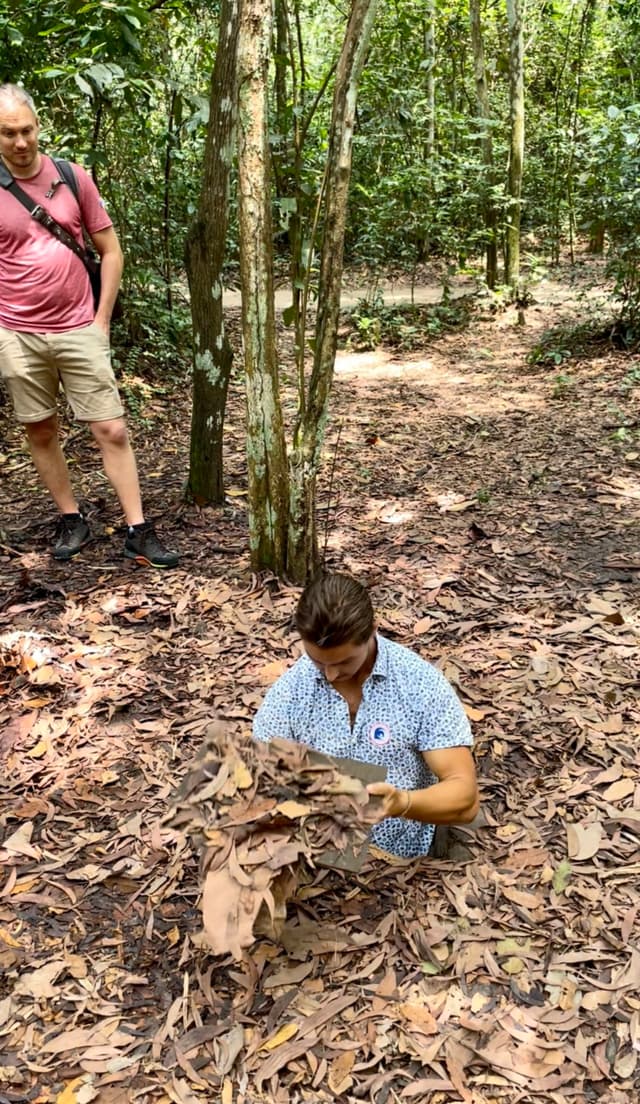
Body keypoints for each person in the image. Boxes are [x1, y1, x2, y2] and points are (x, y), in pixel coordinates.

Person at [0, 84, 179, 568]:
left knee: (112, 428)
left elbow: (111, 251)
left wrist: (101, 321)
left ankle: (138, 529)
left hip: (80, 324)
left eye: (26, 130)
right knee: (40, 429)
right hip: (16, 332)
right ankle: (71, 517)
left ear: (38, 127)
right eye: (8, 133)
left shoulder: (70, 177)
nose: (20, 142)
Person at [254, 572, 479, 859]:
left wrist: (401, 803)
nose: (331, 674)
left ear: (373, 630)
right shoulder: (290, 692)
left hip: (400, 858)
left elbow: (466, 798)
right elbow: (262, 778)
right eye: (317, 661)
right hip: (318, 852)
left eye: (344, 661)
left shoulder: (419, 684)